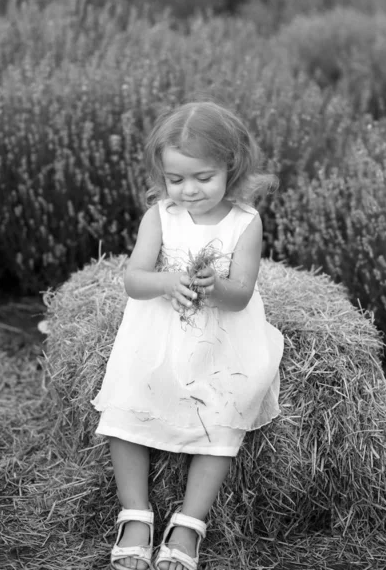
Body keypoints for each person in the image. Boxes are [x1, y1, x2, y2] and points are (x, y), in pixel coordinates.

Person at [91, 101, 284, 570]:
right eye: (176, 179)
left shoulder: (245, 222)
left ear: (231, 167)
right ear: (163, 176)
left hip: (220, 338)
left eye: (202, 177)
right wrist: (165, 282)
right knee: (126, 406)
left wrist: (213, 288)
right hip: (158, 332)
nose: (189, 190)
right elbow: (135, 279)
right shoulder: (161, 215)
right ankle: (135, 513)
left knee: (224, 417)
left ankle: (189, 522)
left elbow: (240, 295)